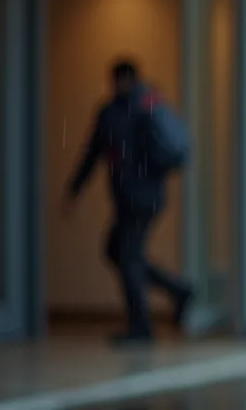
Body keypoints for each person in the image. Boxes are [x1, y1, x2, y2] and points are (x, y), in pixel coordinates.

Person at [64, 59, 193, 344]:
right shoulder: (150, 104)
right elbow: (95, 151)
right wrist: (75, 188)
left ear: (122, 79)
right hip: (149, 195)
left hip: (135, 196)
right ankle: (177, 291)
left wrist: (75, 189)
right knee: (118, 251)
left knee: (126, 254)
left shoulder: (119, 111)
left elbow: (93, 152)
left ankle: (141, 325)